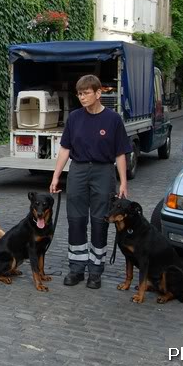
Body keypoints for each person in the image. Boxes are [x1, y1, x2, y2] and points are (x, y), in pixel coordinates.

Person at [49, 74, 131, 290]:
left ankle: (95, 270)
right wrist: (56, 175)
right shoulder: (74, 118)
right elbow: (65, 148)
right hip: (78, 171)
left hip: (103, 172)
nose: (82, 97)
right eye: (79, 93)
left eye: (85, 93)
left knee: (99, 220)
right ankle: (76, 267)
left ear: (98, 93)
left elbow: (121, 153)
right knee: (75, 219)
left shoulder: (113, 120)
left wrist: (123, 182)